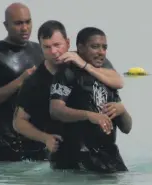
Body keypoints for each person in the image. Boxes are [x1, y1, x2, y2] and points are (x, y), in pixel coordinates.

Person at [13, 20, 125, 159]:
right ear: (40, 48)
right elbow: (19, 122)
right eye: (47, 47)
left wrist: (84, 65)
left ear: (67, 42)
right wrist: (44, 138)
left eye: (57, 45)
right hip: (59, 148)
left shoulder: (86, 58)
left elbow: (118, 81)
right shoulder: (34, 81)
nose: (54, 52)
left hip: (92, 148)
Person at [49, 27, 132, 172]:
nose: (101, 52)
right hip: (75, 159)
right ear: (80, 48)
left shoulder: (107, 78)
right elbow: (56, 110)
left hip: (108, 158)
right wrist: (88, 115)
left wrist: (122, 110)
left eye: (104, 47)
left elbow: (126, 128)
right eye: (95, 47)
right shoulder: (67, 72)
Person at [0, 2, 45, 161]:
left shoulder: (39, 50)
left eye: (28, 22)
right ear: (6, 25)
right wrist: (20, 81)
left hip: (37, 139)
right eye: (18, 23)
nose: (25, 28)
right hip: (5, 140)